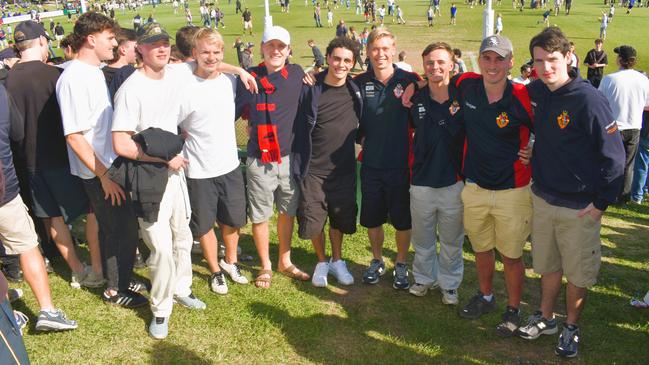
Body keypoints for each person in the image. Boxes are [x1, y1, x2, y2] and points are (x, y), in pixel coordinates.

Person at [518, 27, 625, 358]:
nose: (545, 67)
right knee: (547, 265)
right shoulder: (537, 90)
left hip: (580, 206)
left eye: (552, 60)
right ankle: (547, 318)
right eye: (539, 61)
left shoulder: (589, 98)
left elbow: (615, 158)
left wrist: (600, 205)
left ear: (568, 57)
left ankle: (571, 326)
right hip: (544, 197)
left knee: (578, 272)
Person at [112, 22, 207, 339]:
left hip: (176, 174)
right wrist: (163, 158)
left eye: (165, 42)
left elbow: (209, 60)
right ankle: (161, 310)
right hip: (147, 178)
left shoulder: (175, 74)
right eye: (154, 44)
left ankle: (182, 288)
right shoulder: (131, 89)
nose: (162, 48)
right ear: (139, 48)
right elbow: (121, 144)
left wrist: (243, 71)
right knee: (161, 247)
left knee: (182, 237)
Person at [56, 12, 149, 309]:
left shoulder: (94, 71)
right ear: (91, 39)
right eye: (111, 38)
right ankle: (114, 289)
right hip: (98, 172)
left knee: (125, 228)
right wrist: (104, 176)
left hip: (109, 164)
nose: (115, 43)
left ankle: (122, 276)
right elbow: (74, 136)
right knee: (117, 230)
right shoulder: (73, 79)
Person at [8, 20, 105, 290]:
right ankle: (96, 267)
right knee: (91, 210)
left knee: (53, 216)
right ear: (41, 41)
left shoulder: (9, 78)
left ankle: (76, 268)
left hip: (30, 161)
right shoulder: (55, 75)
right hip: (63, 158)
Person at [451, 35, 533, 338]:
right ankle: (485, 296)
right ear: (479, 60)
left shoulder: (524, 95)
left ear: (511, 61)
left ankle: (513, 309)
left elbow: (550, 129)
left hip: (513, 190)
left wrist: (534, 148)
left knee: (511, 255)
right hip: (474, 187)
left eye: (500, 58)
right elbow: (434, 78)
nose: (493, 65)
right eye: (487, 57)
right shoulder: (466, 84)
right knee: (481, 248)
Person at [177, 28, 249, 295]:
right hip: (198, 168)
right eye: (204, 52)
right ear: (194, 53)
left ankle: (230, 262)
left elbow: (221, 68)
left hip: (228, 164)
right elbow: (170, 122)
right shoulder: (183, 86)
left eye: (216, 52)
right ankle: (215, 272)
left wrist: (241, 71)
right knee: (205, 224)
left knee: (233, 220)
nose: (211, 57)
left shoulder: (229, 81)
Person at [240, 26, 307, 289]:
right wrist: (238, 70)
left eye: (281, 46)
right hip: (259, 159)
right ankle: (265, 265)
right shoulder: (249, 77)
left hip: (288, 158)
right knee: (260, 215)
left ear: (289, 51)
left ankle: (284, 260)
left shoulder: (297, 74)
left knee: (286, 212)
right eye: (271, 46)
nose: (276, 51)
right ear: (262, 49)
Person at [293, 36, 361, 288]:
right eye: (337, 58)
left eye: (347, 60)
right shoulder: (310, 86)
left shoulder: (356, 89)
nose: (341, 64)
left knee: (339, 217)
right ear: (328, 58)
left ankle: (337, 260)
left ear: (352, 63)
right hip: (313, 169)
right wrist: (311, 73)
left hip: (343, 169)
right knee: (314, 217)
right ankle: (321, 262)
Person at [355, 28, 420, 290]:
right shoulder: (359, 82)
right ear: (368, 51)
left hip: (401, 164)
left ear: (393, 50)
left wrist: (418, 86)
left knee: (403, 219)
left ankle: (401, 263)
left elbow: (436, 87)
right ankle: (377, 259)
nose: (380, 54)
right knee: (372, 218)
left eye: (385, 48)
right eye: (375, 49)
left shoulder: (409, 79)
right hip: (371, 164)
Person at [407, 42, 465, 305]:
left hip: (454, 182)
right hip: (421, 181)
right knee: (423, 237)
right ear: (424, 65)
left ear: (452, 65)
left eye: (441, 62)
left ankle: (450, 284)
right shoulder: (414, 98)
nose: (435, 67)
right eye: (430, 62)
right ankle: (423, 278)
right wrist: (414, 84)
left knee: (452, 240)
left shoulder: (464, 95)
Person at [598, 45, 649, 203]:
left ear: (620, 59)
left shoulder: (610, 79)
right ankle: (624, 196)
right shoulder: (643, 80)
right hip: (634, 126)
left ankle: (608, 193)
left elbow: (599, 102)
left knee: (610, 161)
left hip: (614, 126)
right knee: (628, 164)